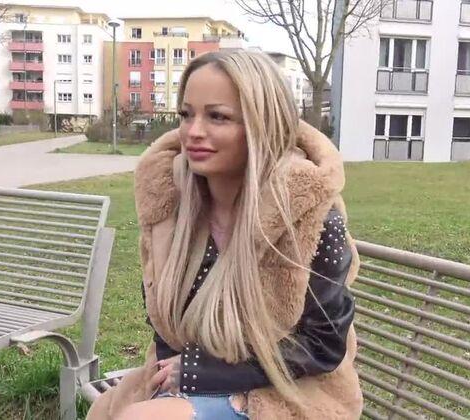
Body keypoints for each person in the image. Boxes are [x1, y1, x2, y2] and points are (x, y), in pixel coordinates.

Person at [87, 50, 362, 420]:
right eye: (186, 114)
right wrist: (177, 381)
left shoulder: (310, 216)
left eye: (217, 116)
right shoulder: (171, 205)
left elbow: (323, 345)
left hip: (288, 391)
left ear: (262, 124)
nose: (193, 131)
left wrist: (201, 372)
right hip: (191, 384)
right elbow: (162, 320)